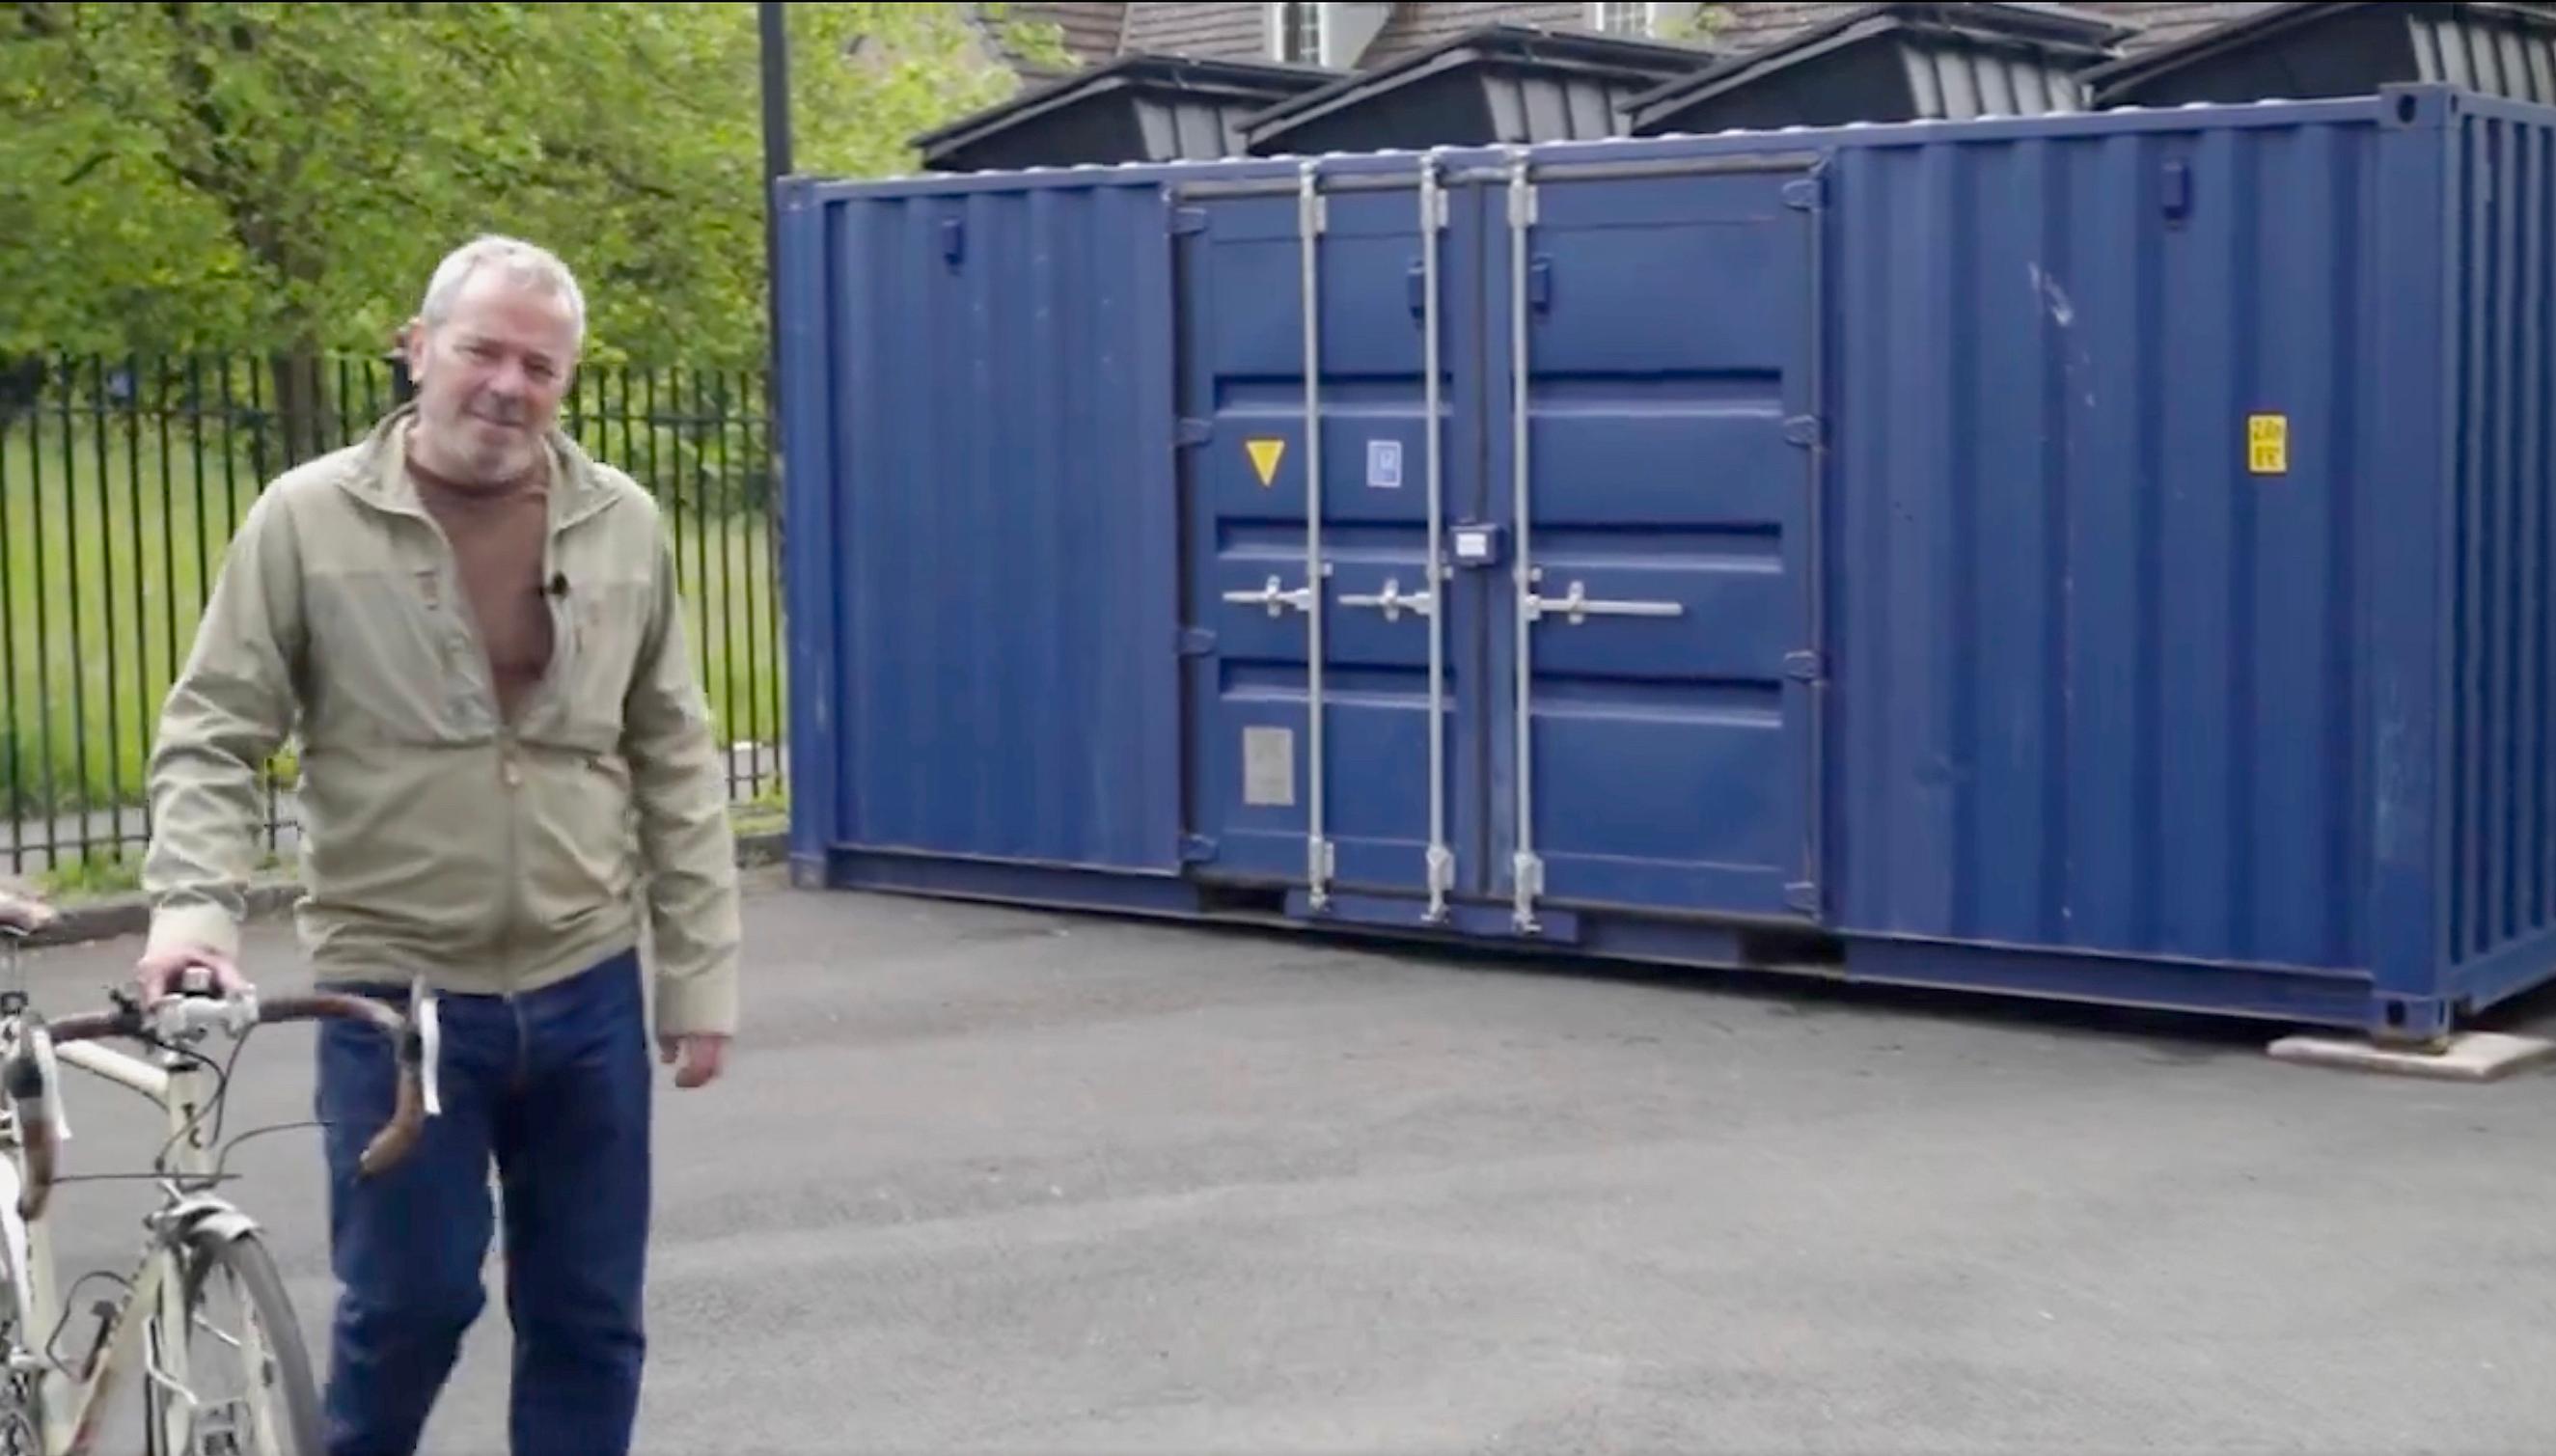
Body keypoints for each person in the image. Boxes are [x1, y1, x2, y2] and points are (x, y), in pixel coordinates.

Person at [135, 234, 743, 1456]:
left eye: (542, 364)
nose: (508, 385)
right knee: (410, 1302)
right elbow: (213, 734)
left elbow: (674, 751)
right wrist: (193, 911)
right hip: (394, 992)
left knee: (588, 1316)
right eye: (481, 350)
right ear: (417, 351)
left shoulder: (619, 522)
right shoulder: (307, 518)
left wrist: (698, 973)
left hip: (584, 986)